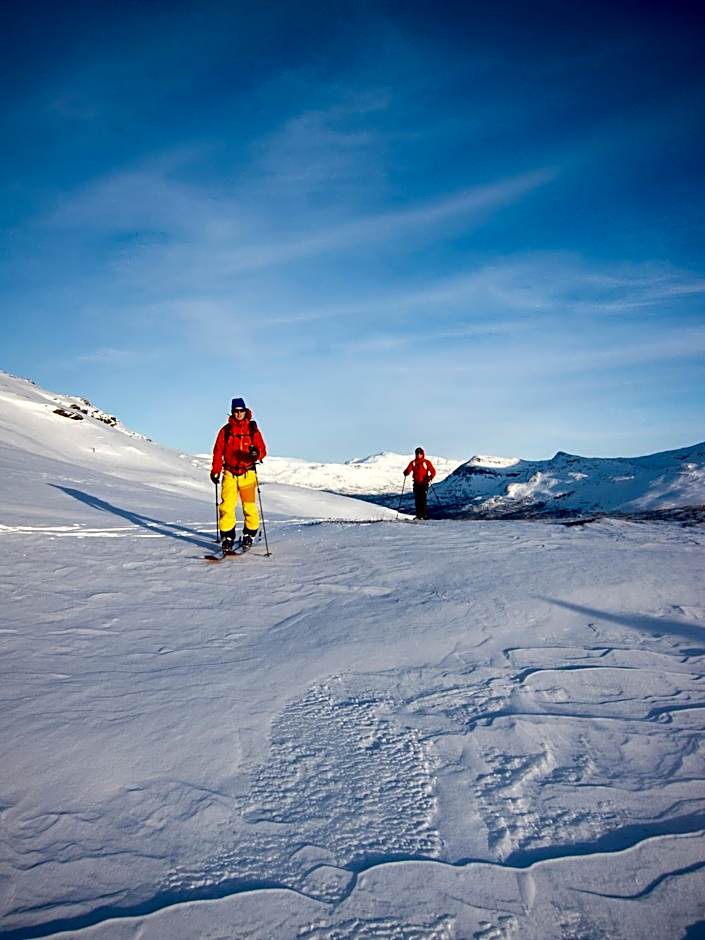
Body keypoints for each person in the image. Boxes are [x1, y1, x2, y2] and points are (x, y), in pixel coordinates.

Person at [210, 398, 267, 551]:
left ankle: (249, 534)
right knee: (226, 507)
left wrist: (256, 454)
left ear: (245, 411)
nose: (239, 413)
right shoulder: (226, 430)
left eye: (241, 410)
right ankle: (227, 537)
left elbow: (263, 451)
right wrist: (215, 471)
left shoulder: (253, 429)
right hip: (229, 473)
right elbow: (218, 452)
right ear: (232, 411)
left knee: (249, 507)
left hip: (247, 473)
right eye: (236, 411)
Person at [403, 447, 436, 520]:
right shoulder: (413, 462)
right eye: (417, 453)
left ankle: (424, 516)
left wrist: (430, 477)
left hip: (424, 483)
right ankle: (419, 516)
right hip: (416, 484)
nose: (418, 455)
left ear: (422, 454)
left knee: (423, 499)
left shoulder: (426, 462)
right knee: (417, 499)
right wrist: (406, 472)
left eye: (420, 453)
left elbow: (433, 471)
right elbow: (408, 469)